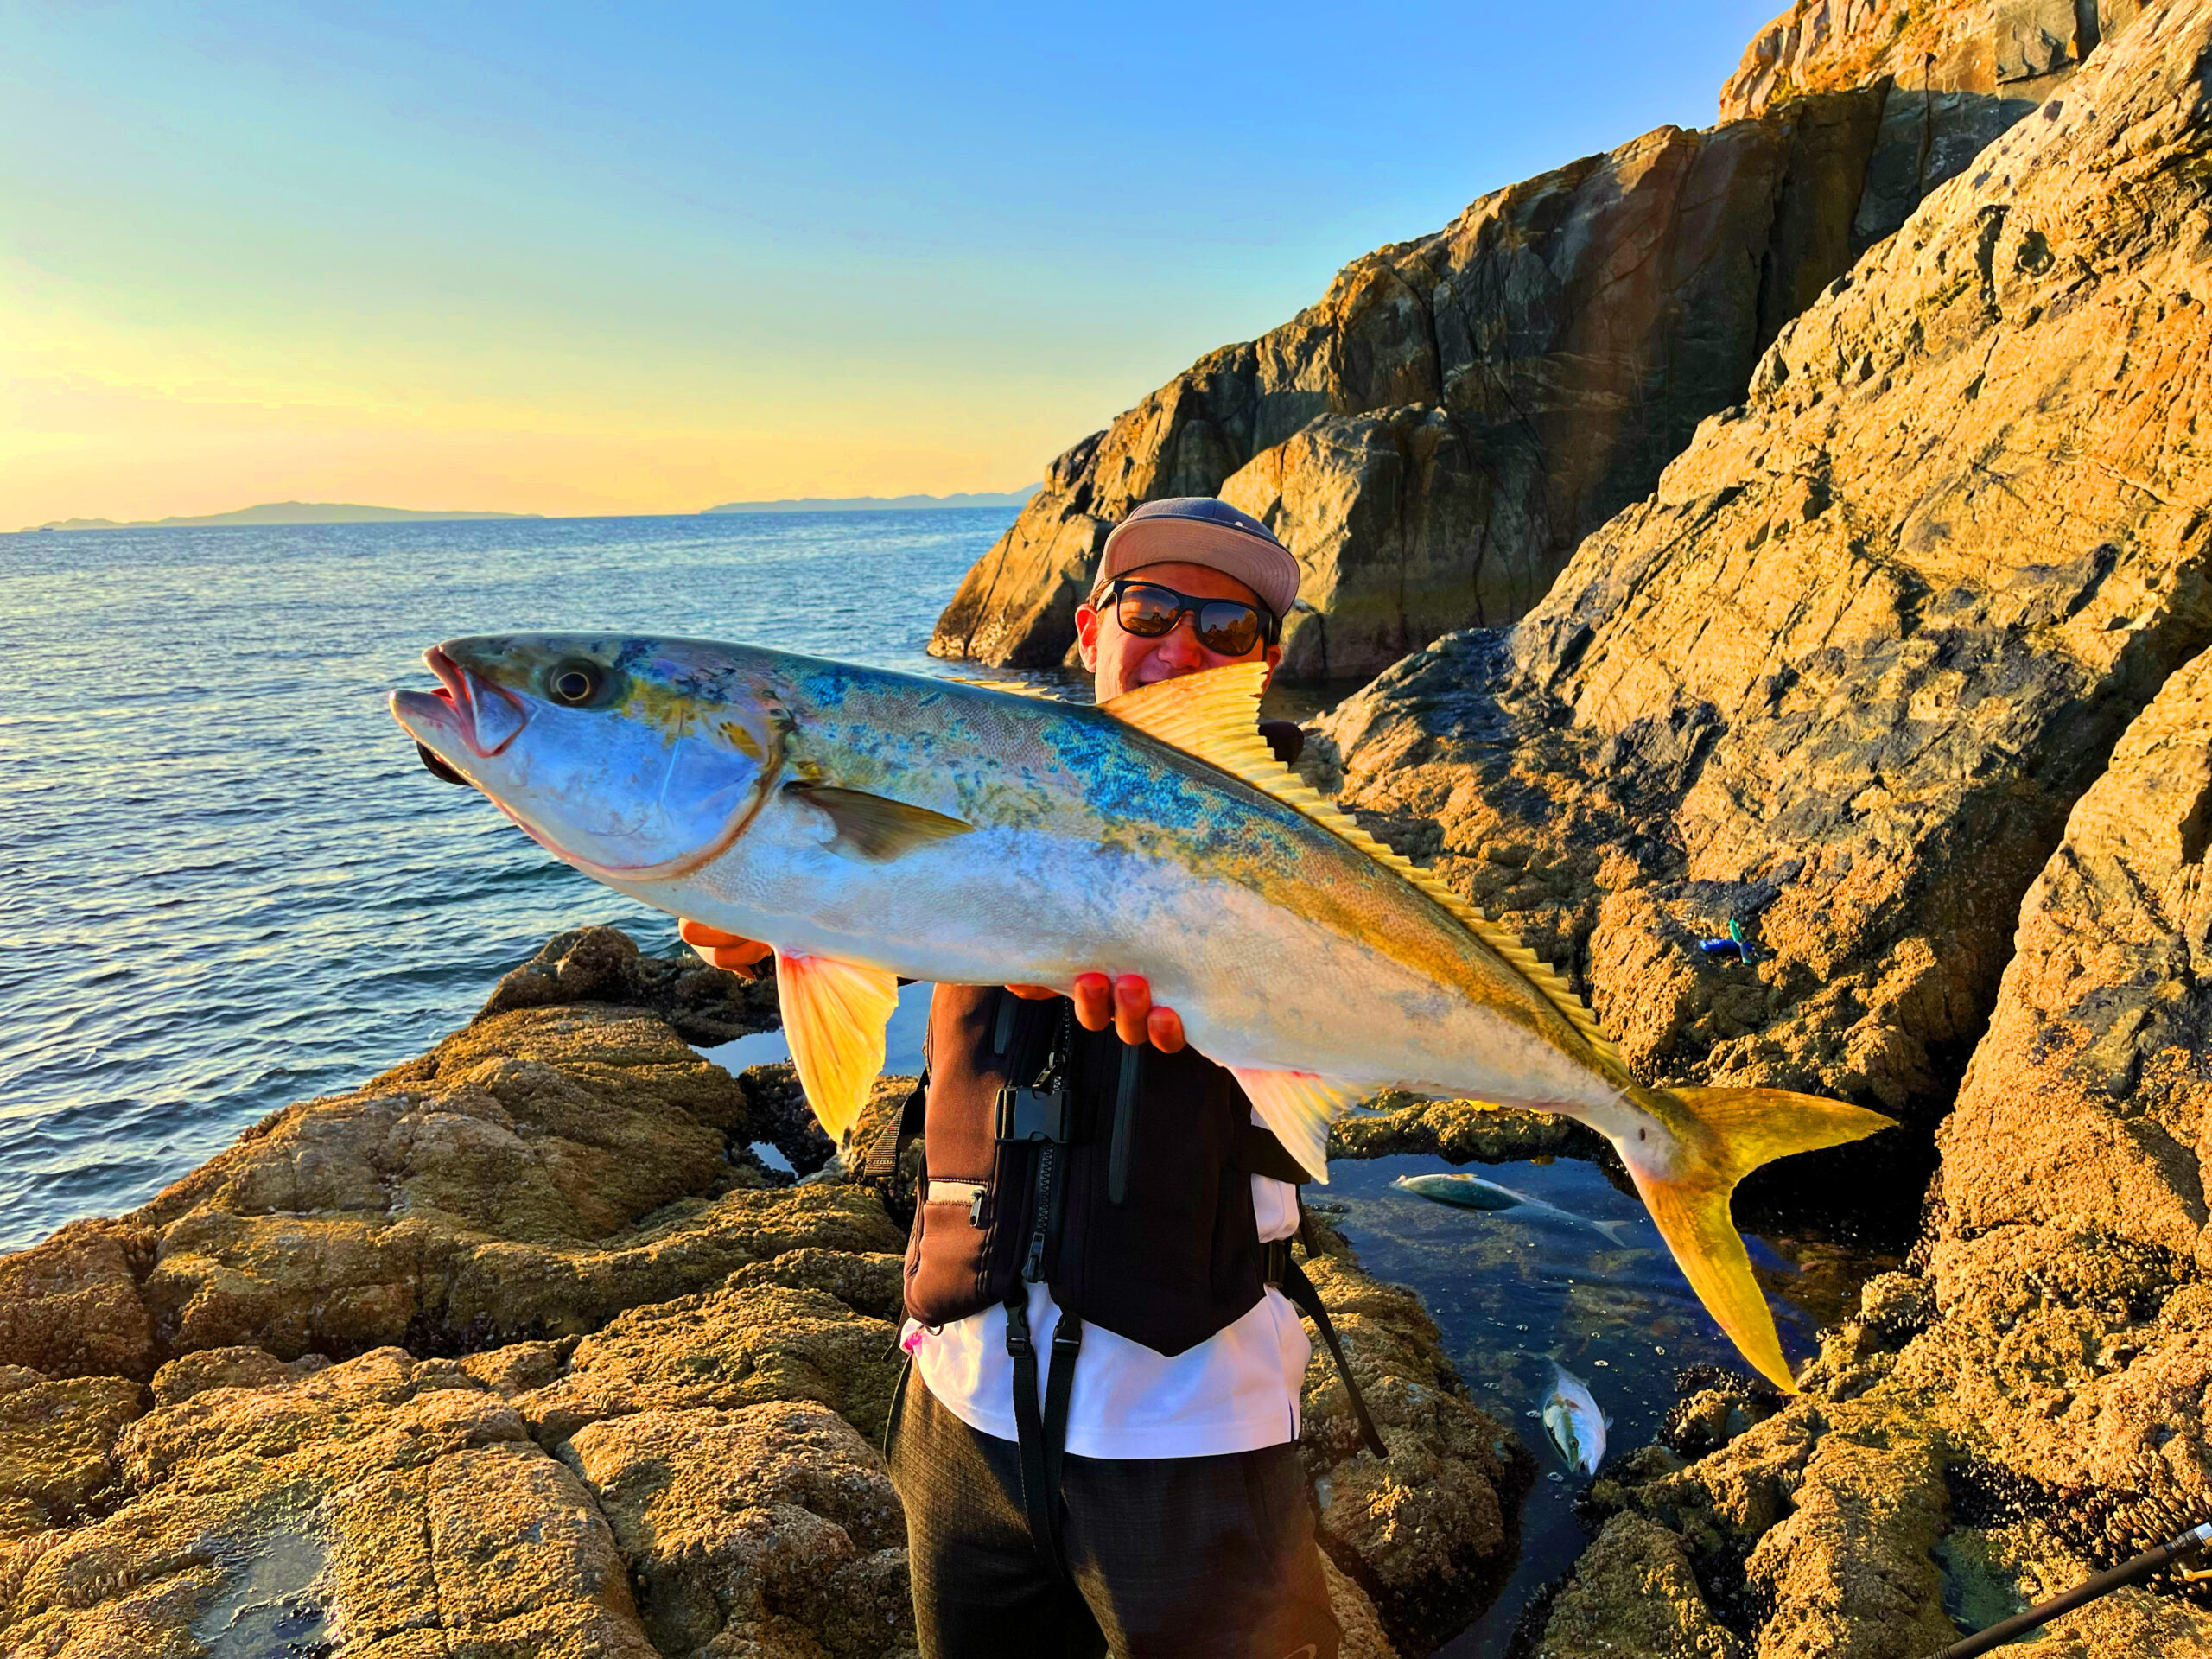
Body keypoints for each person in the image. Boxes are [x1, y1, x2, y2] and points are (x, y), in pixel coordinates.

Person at [681, 498, 1372, 1659]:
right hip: (957, 1412)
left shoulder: (1299, 849)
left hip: (1193, 1432)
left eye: (1227, 626)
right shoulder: (966, 781)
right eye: (1152, 608)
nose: (1180, 643)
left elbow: (1350, 1028)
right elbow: (847, 909)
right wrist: (763, 914)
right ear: (1091, 628)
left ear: (1265, 664)